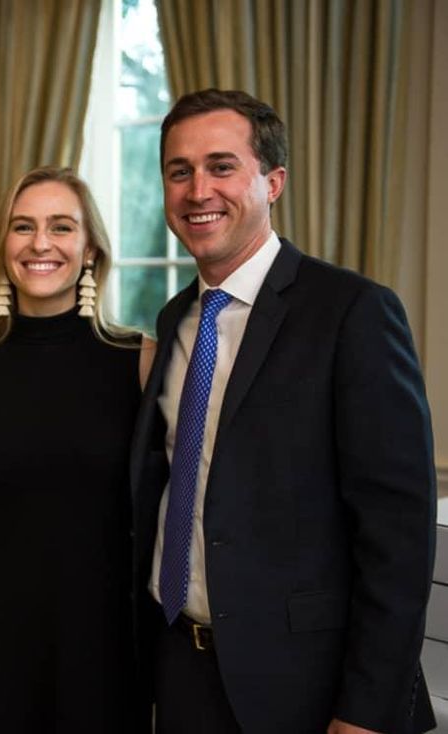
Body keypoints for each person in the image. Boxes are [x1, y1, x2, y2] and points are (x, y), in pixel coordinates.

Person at [130, 88, 437, 734]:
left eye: (221, 166)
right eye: (178, 171)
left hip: (307, 687)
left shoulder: (351, 313)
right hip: (183, 671)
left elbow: (397, 539)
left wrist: (365, 714)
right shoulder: (175, 320)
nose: (197, 190)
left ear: (273, 182)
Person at [0, 167, 154, 732]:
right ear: (4, 245)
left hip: (107, 641)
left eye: (61, 227)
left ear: (89, 249)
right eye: (23, 227)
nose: (41, 243)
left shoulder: (141, 363)